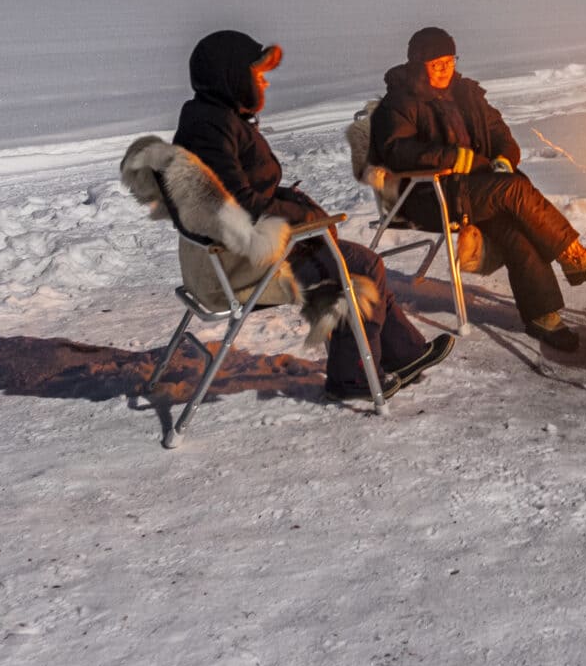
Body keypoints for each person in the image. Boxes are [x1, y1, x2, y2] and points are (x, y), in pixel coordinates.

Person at [173, 29, 452, 400]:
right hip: (237, 269)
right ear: (232, 77)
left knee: (358, 262)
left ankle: (403, 354)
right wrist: (306, 218)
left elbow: (242, 197)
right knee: (359, 268)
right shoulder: (212, 129)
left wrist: (298, 209)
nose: (264, 81)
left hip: (232, 255)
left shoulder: (209, 120)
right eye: (257, 74)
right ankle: (353, 377)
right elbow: (240, 204)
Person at [370, 26, 586, 352]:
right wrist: (454, 158)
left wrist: (503, 158)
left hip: (477, 189)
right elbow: (397, 151)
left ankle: (542, 316)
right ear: (418, 65)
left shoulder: (467, 94)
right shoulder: (399, 103)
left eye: (449, 61)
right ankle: (573, 256)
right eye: (436, 64)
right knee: (513, 191)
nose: (445, 69)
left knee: (516, 225)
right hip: (428, 195)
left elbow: (500, 133)